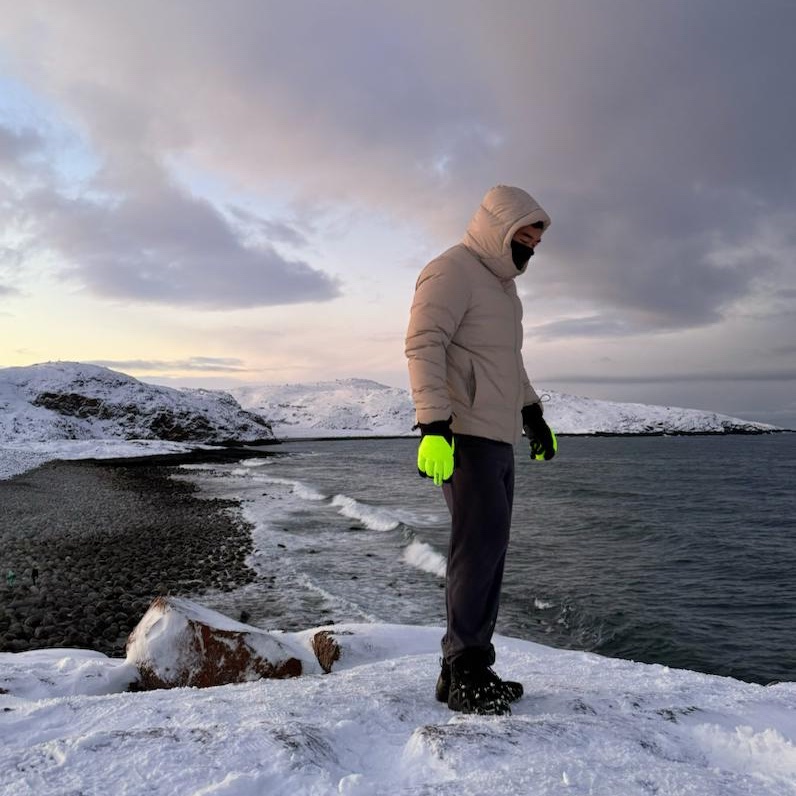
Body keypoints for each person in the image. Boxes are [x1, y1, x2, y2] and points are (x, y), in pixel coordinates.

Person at [405, 184, 557, 716]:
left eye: (536, 239)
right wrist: (433, 426)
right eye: (525, 235)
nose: (532, 246)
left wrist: (531, 413)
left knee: (490, 549)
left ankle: (464, 668)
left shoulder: (504, 291)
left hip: (498, 436)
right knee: (477, 547)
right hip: (463, 433)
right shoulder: (451, 270)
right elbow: (423, 344)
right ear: (499, 228)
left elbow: (507, 363)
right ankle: (465, 666)